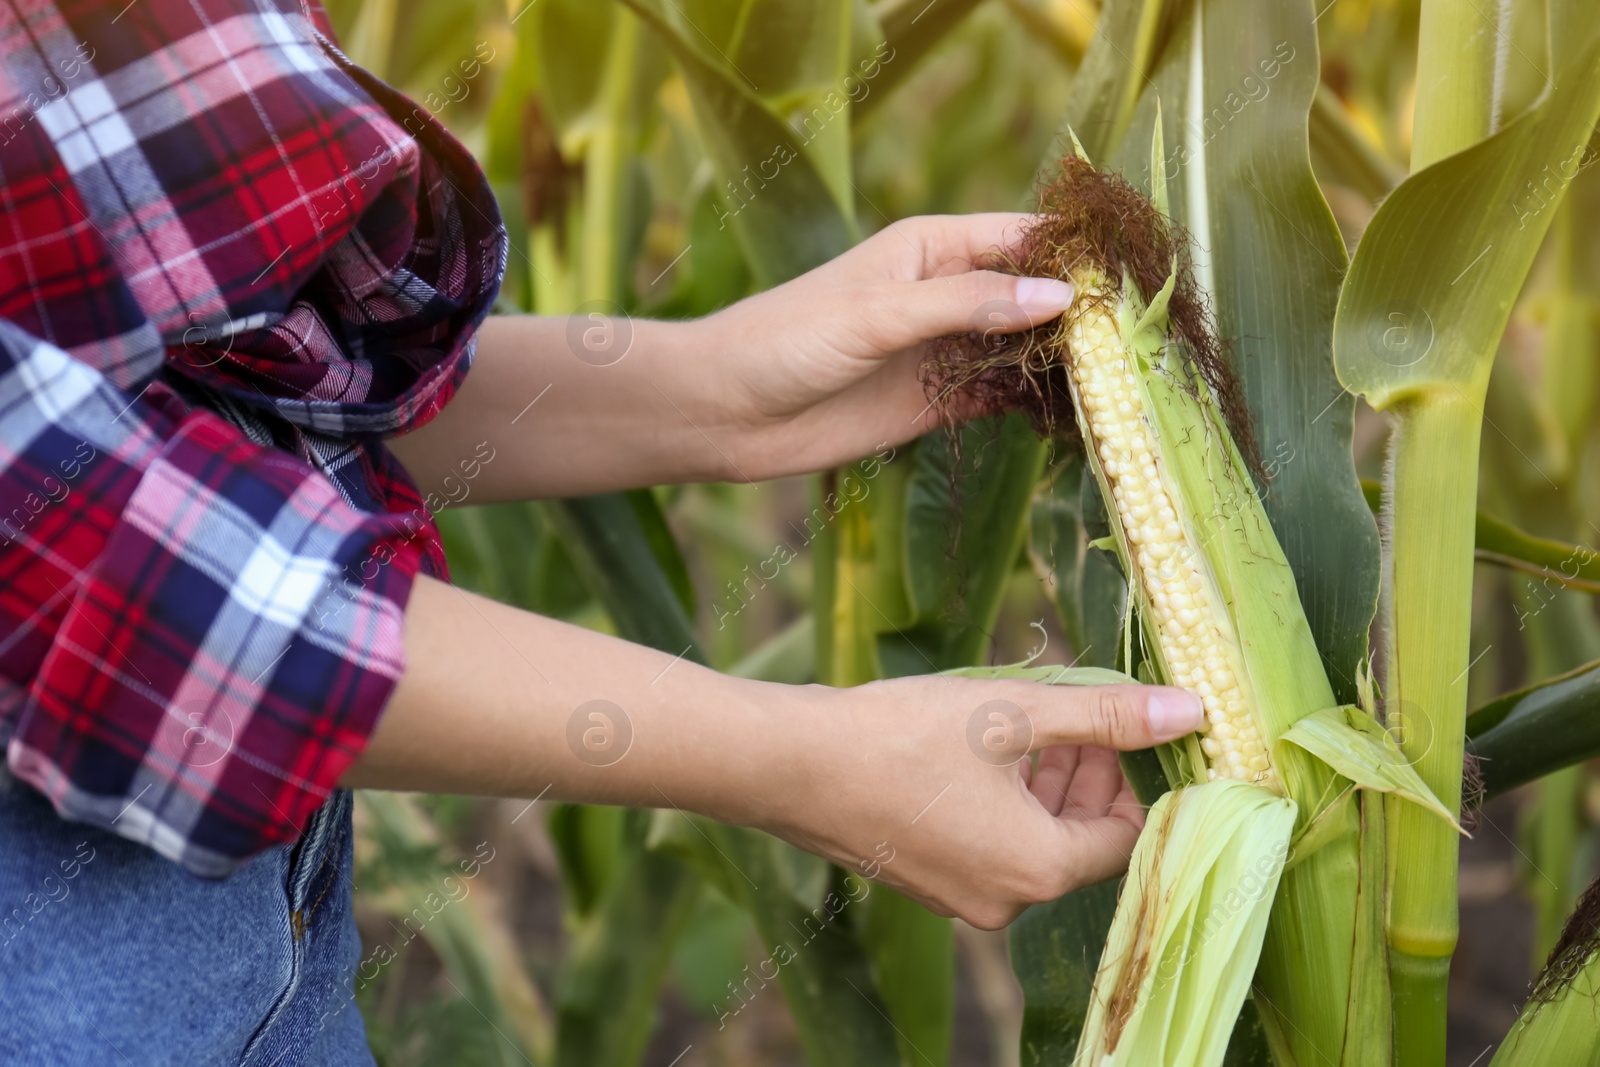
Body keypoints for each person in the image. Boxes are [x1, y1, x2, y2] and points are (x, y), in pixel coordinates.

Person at [0, 1, 1203, 1062]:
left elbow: (207, 377)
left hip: (261, 929)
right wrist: (801, 758)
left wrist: (711, 384)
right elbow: (104, 582)